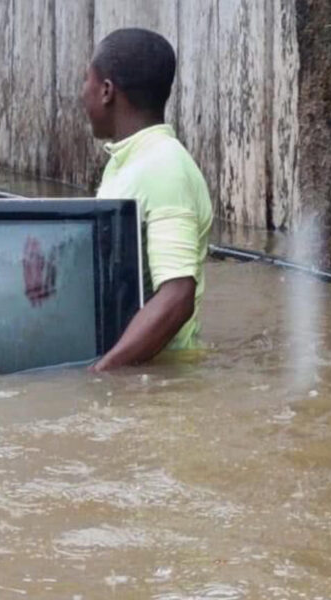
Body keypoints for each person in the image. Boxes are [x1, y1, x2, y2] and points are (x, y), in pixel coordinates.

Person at [81, 28, 213, 371]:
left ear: (107, 90)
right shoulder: (127, 162)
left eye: (87, 81)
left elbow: (177, 296)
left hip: (160, 380)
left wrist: (103, 372)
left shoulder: (164, 167)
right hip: (136, 369)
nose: (83, 94)